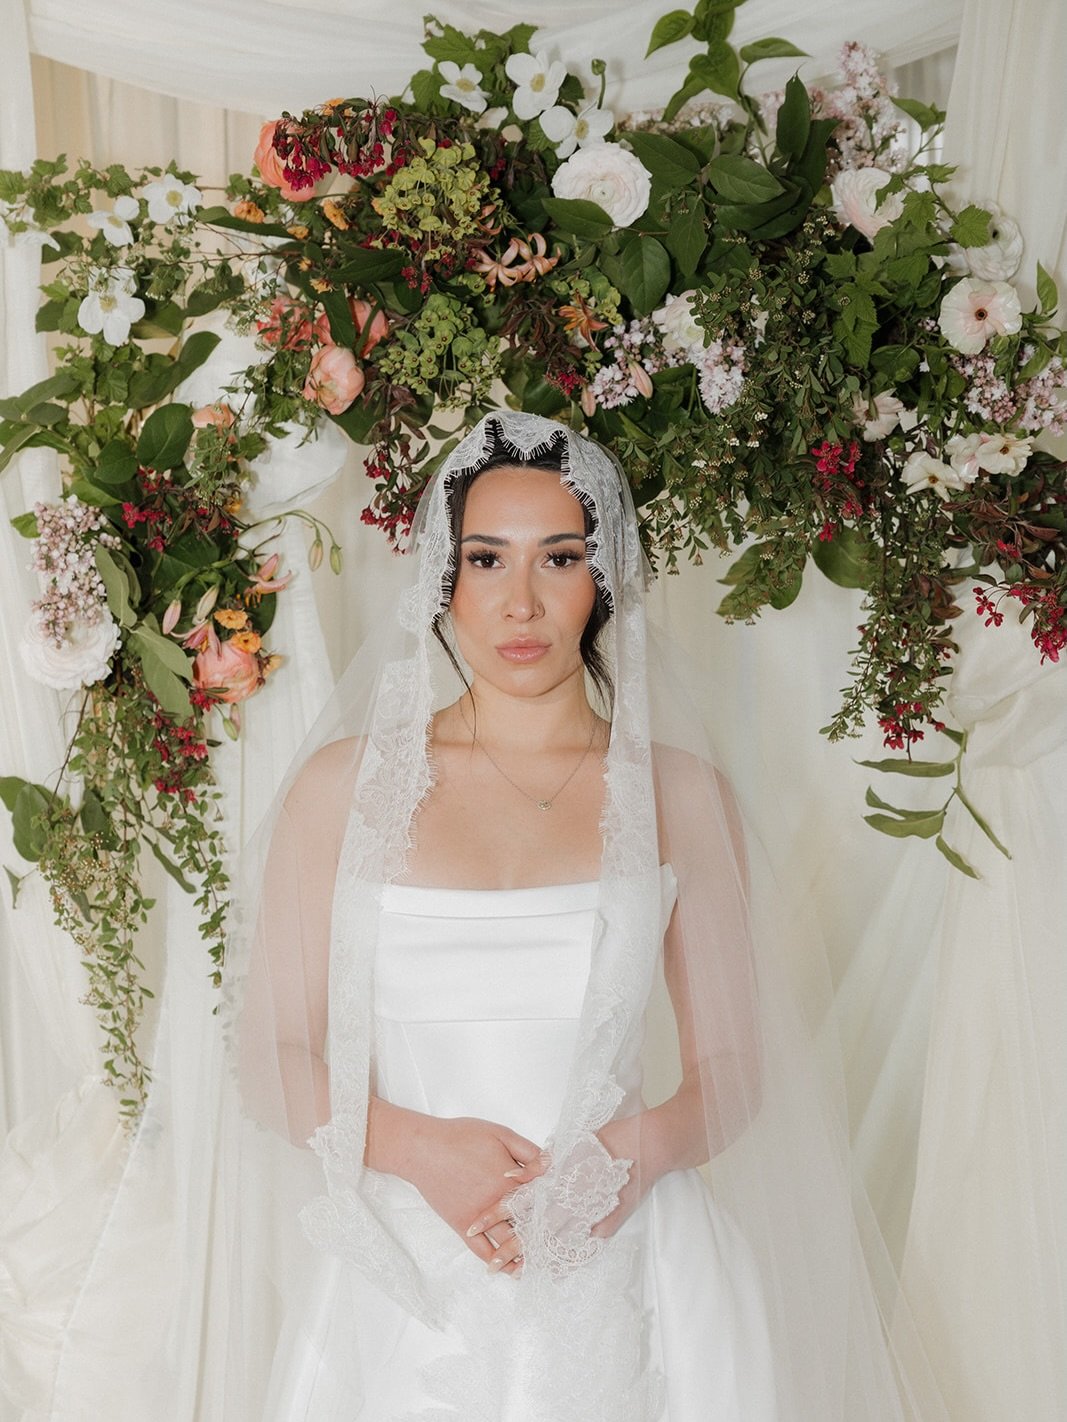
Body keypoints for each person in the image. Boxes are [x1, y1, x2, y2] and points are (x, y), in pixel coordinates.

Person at [46, 412, 943, 1421]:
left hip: (630, 1255)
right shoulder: (342, 790)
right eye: (486, 559)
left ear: (602, 578)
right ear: (443, 578)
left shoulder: (680, 795)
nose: (519, 601)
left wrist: (616, 1161)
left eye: (558, 557)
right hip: (405, 1289)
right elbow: (272, 1056)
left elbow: (732, 1075)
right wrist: (417, 1149)